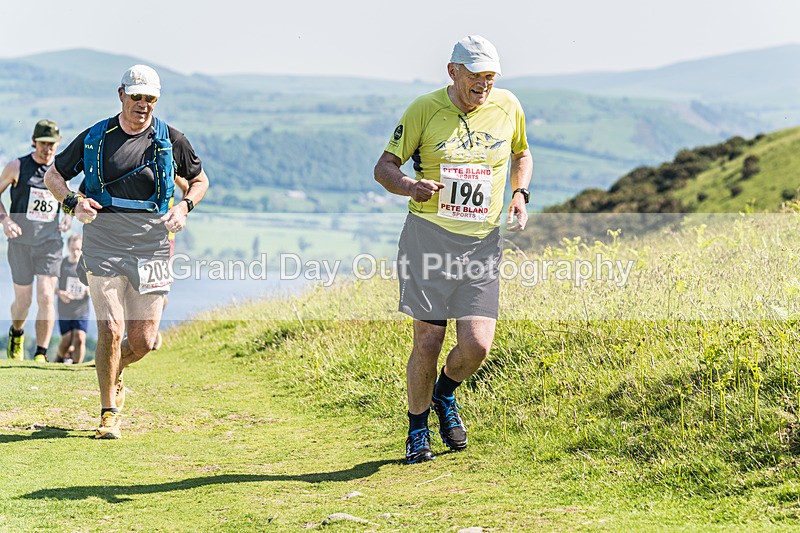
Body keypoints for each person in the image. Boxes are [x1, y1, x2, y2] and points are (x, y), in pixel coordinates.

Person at [374, 35, 533, 464]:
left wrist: (520, 194)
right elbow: (384, 168)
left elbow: (522, 154)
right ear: (453, 72)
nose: (484, 84)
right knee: (428, 340)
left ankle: (444, 393)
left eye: (490, 76)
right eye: (476, 76)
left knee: (478, 345)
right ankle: (417, 430)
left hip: (482, 244)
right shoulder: (424, 109)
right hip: (429, 238)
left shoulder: (508, 106)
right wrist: (410, 185)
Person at [45, 65, 209, 439]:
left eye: (150, 98)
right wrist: (73, 203)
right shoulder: (96, 137)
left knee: (144, 341)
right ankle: (109, 412)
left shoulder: (172, 139)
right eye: (137, 96)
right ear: (121, 94)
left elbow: (199, 180)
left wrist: (184, 207)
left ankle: (116, 367)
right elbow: (54, 175)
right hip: (103, 240)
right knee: (110, 326)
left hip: (152, 244)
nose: (143, 104)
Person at [0, 119, 71, 362]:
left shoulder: (60, 172)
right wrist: (5, 220)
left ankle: (41, 354)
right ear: (34, 141)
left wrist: (68, 217)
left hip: (50, 243)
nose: (47, 149)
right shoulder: (17, 166)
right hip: (20, 243)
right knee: (23, 302)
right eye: (43, 144)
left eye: (52, 144)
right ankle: (17, 332)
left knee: (46, 295)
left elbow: (68, 200)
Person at [56, 233, 90, 364]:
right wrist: (60, 293)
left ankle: (77, 366)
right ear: (68, 247)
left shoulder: (87, 266)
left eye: (78, 249)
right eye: (73, 249)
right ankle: (59, 359)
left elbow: (95, 284)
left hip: (81, 309)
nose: (75, 252)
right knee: (67, 341)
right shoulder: (62, 264)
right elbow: (50, 286)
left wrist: (89, 290)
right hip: (65, 308)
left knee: (80, 338)